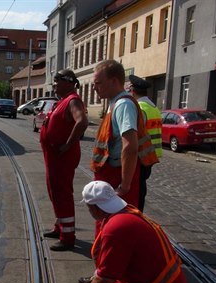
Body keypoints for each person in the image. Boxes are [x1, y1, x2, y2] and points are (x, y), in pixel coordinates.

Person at [91, 60, 158, 209]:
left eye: (98, 83)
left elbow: (130, 146)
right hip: (111, 175)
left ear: (113, 81)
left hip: (118, 178)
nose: (94, 87)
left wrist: (125, 185)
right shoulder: (115, 103)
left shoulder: (123, 105)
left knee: (120, 223)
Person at [40, 69, 89, 251]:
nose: (54, 85)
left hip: (62, 157)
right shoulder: (62, 101)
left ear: (67, 82)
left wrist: (67, 145)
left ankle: (68, 236)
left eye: (56, 81)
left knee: (62, 194)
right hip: (54, 157)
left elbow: (82, 121)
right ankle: (60, 226)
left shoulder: (72, 100)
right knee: (54, 192)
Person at [128, 75, 163, 211]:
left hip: (141, 154)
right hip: (151, 153)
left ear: (133, 91)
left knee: (137, 189)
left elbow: (135, 134)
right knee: (141, 185)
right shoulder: (153, 107)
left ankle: (137, 216)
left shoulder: (140, 108)